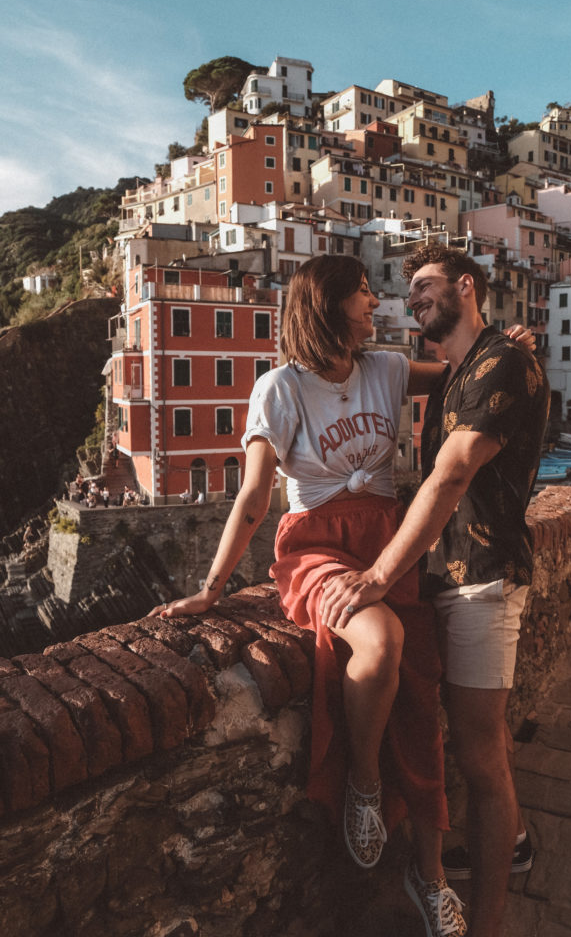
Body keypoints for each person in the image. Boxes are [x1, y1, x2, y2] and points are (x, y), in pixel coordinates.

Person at [148, 256, 476, 936]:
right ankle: (361, 781)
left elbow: (463, 373)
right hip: (316, 546)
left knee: (420, 697)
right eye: (362, 294)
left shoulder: (385, 369)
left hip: (386, 543)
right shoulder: (280, 389)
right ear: (328, 304)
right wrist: (211, 591)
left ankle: (431, 876)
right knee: (381, 642)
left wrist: (507, 347)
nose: (375, 304)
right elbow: (255, 495)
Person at [322, 244, 549, 937]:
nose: (409, 297)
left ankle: (484, 924)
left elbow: (450, 477)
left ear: (465, 286)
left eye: (424, 286)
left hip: (481, 583)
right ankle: (504, 844)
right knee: (474, 746)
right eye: (405, 289)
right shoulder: (456, 371)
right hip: (444, 582)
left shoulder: (500, 363)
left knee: (479, 756)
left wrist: (377, 575)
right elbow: (354, 371)